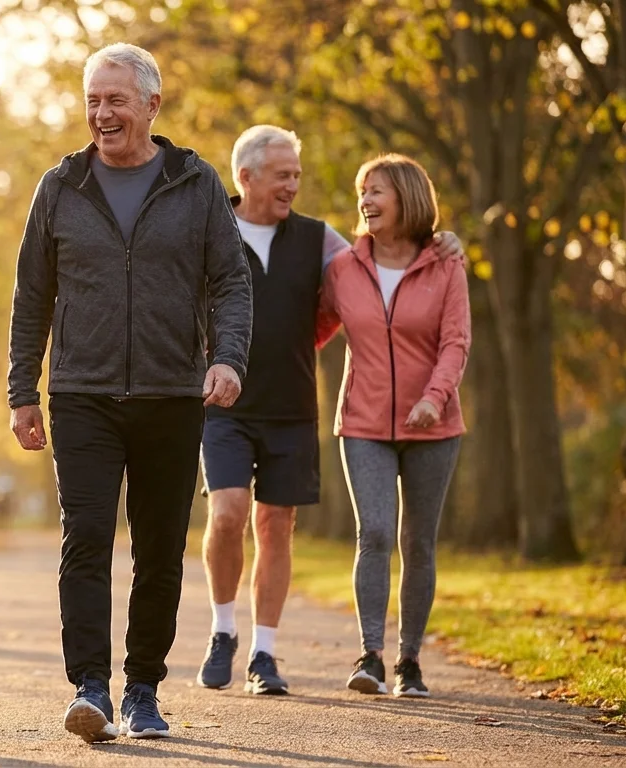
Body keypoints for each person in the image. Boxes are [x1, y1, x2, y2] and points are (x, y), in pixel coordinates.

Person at [7, 43, 253, 743]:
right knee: (86, 537)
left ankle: (143, 689)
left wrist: (228, 359)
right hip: (81, 392)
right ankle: (90, 687)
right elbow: (32, 296)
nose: (102, 114)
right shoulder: (61, 186)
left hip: (171, 392)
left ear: (152, 104)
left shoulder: (195, 183)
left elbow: (231, 280)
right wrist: (22, 390)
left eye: (116, 100)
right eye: (92, 100)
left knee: (159, 548)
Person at [197, 127, 463, 696]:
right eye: (283, 175)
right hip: (224, 404)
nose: (294, 185)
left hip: (292, 406)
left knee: (276, 524)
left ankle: (263, 654)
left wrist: (442, 240)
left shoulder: (320, 240)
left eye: (297, 174)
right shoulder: (209, 228)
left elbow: (375, 265)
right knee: (228, 514)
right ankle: (222, 629)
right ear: (246, 177)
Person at [316, 153, 470, 699]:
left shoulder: (446, 264)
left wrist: (434, 397)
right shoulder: (343, 268)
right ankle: (370, 656)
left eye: (376, 190)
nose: (365, 200)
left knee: (418, 543)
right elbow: (313, 329)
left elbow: (456, 342)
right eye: (362, 191)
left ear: (408, 197)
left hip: (434, 425)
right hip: (363, 421)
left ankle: (410, 661)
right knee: (376, 533)